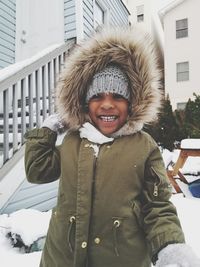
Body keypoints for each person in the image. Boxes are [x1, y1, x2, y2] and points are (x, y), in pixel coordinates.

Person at [24, 26, 200, 267]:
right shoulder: (73, 141)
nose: (107, 105)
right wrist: (46, 132)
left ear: (132, 103)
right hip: (61, 258)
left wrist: (169, 246)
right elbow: (37, 171)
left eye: (118, 97)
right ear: (85, 104)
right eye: (97, 97)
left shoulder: (144, 147)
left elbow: (157, 207)